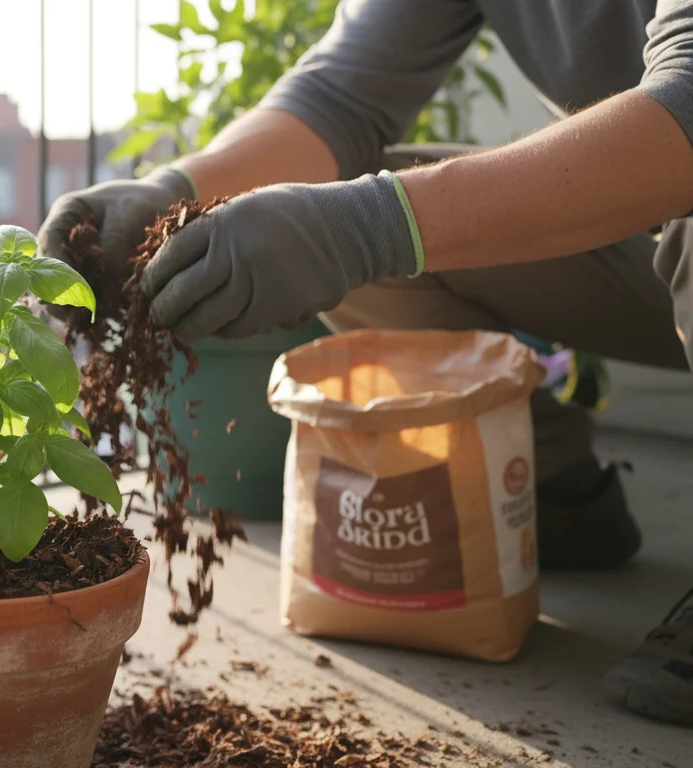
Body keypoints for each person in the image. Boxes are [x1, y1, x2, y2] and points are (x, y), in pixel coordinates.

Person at [37, 0, 693, 727]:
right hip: (649, 253)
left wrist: (367, 226)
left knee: (377, 222)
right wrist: (173, 193)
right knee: (366, 222)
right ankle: (545, 485)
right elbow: (338, 97)